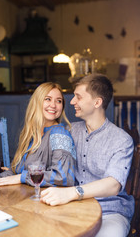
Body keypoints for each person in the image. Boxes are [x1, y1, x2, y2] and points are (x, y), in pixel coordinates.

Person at [40, 74, 134, 237]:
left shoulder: (121, 140)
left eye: (78, 97)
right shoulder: (69, 130)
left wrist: (72, 193)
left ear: (97, 102)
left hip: (110, 212)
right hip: (73, 208)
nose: (71, 102)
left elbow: (113, 185)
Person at [0, 82, 76, 187]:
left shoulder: (59, 134)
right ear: (37, 102)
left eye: (59, 101)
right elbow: (16, 172)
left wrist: (21, 177)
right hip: (25, 195)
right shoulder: (32, 134)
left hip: (45, 199)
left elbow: (64, 177)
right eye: (48, 99)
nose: (53, 105)